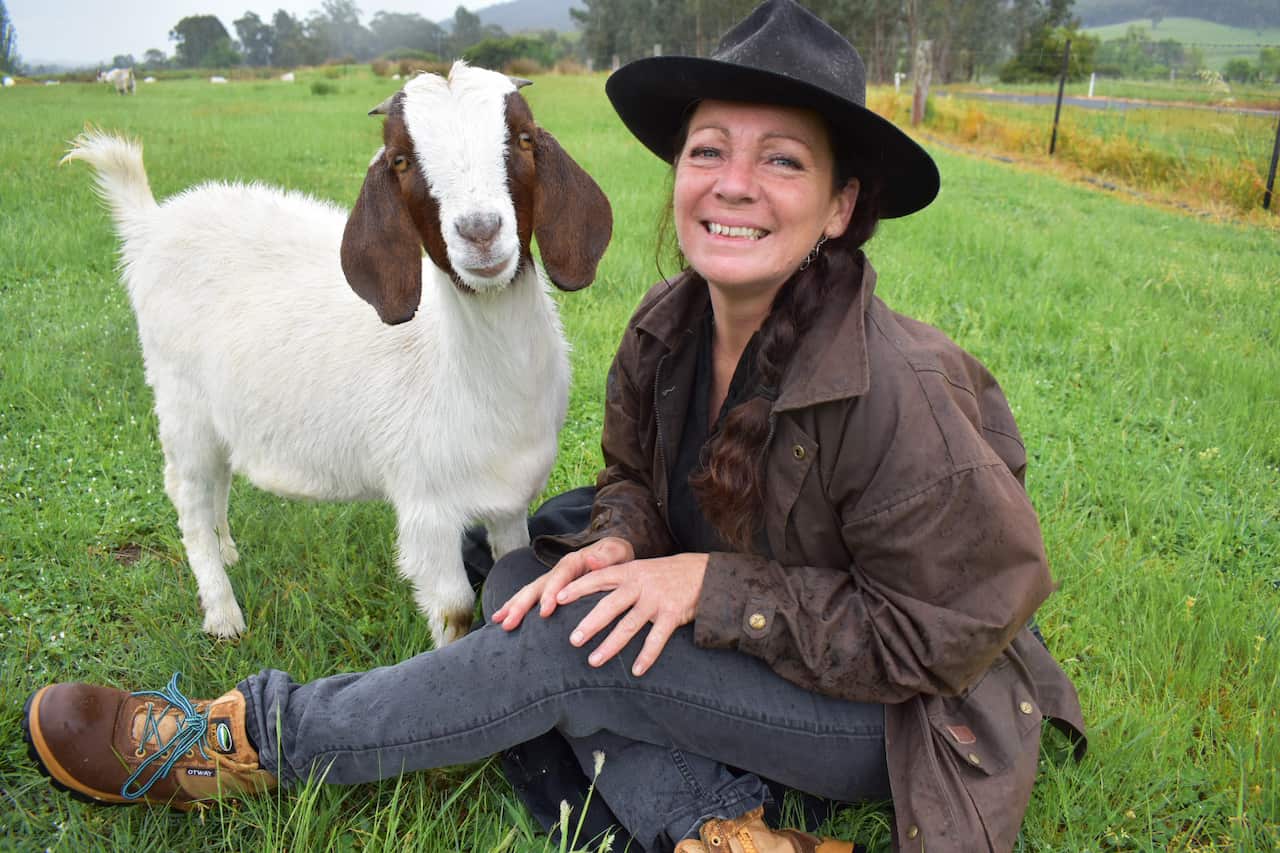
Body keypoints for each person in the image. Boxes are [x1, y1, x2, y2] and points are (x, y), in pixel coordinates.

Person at [21, 2, 1086, 851]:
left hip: (903, 720)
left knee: (562, 649)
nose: (732, 185)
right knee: (518, 575)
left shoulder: (897, 391)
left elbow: (945, 637)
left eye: (782, 162)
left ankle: (243, 740)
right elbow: (632, 477)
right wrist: (624, 538)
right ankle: (712, 832)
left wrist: (709, 588)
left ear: (842, 206)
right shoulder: (668, 333)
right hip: (765, 659)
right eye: (709, 150)